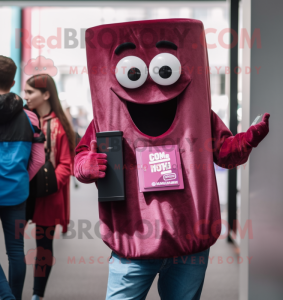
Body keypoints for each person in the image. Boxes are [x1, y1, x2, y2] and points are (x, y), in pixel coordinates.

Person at [74, 19, 270, 300]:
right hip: (134, 242)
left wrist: (248, 138)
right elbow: (80, 157)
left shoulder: (200, 116)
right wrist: (86, 166)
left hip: (188, 242)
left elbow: (225, 153)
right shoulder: (108, 119)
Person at [24, 74, 75, 300]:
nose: (25, 97)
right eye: (25, 92)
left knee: (43, 248)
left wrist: (49, 182)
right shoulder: (24, 119)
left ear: (45, 95)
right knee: (13, 247)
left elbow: (67, 164)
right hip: (21, 193)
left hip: (48, 195)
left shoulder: (59, 126)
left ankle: (37, 294)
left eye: (30, 92)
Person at [0, 56, 45, 300]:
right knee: (16, 251)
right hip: (17, 193)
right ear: (14, 81)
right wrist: (17, 179)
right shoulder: (31, 117)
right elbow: (38, 160)